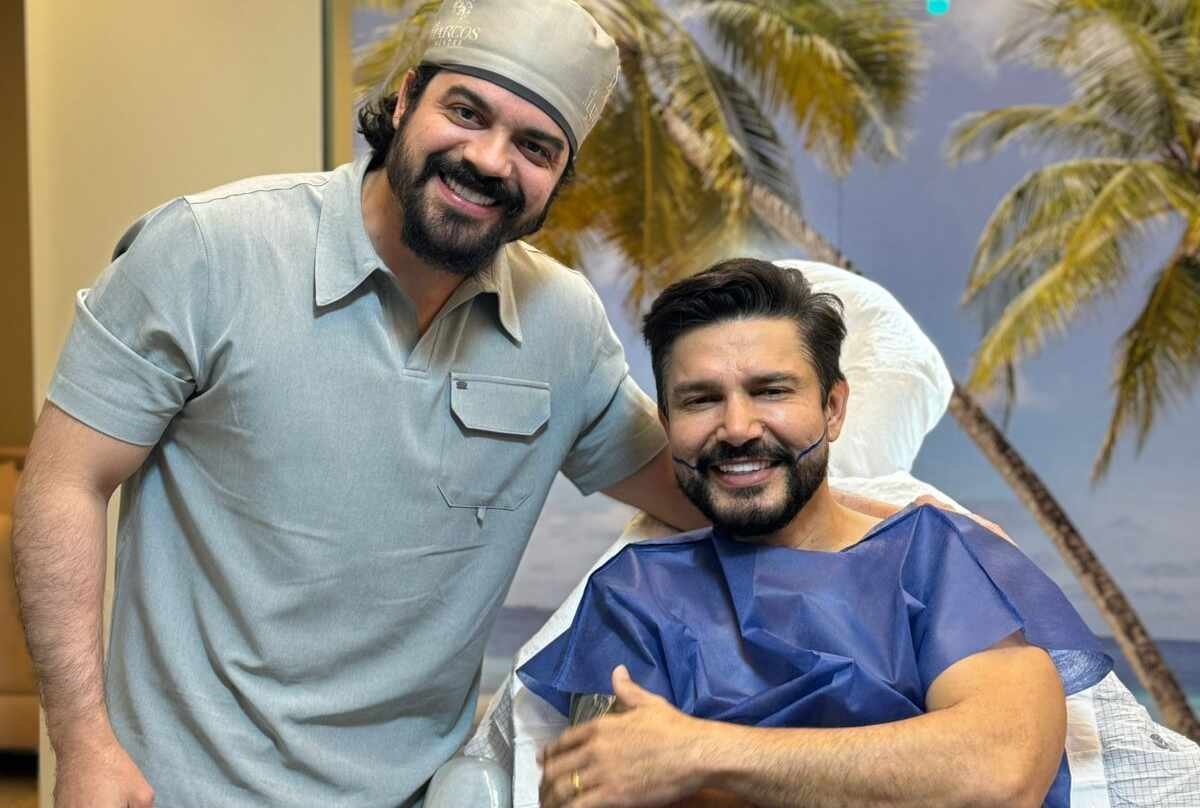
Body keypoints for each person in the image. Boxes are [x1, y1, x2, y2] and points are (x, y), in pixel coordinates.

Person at [11, 1, 706, 805]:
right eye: (466, 112)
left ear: (558, 179)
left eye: (535, 146)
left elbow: (703, 498)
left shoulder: (565, 326)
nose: (489, 159)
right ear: (405, 99)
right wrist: (83, 740)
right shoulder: (207, 251)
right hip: (180, 790)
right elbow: (64, 482)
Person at [524, 259, 1115, 808]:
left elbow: (999, 771)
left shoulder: (935, 557)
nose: (737, 427)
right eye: (701, 400)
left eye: (771, 391)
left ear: (833, 408)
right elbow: (606, 784)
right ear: (668, 423)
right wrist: (908, 771)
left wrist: (699, 754)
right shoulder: (635, 594)